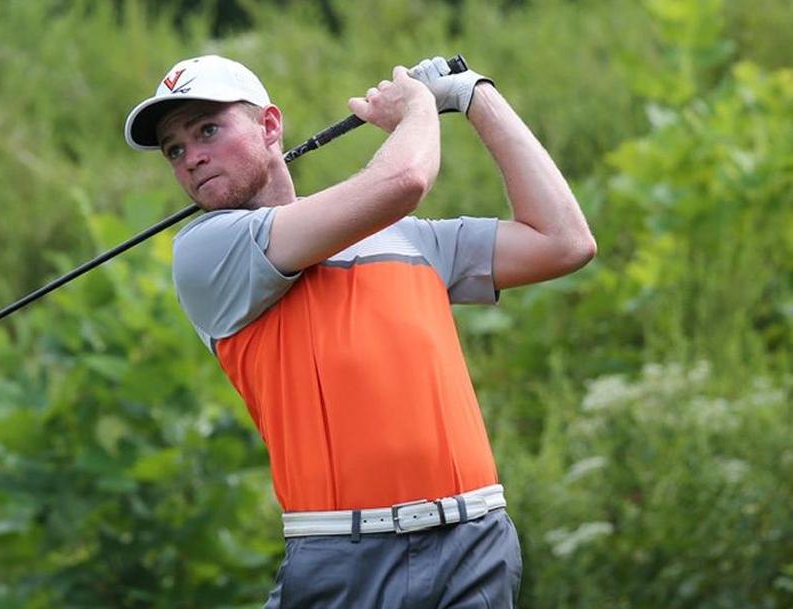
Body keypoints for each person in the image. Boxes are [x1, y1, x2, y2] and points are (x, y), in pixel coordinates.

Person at [123, 54, 595, 608]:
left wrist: (473, 96)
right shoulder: (207, 252)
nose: (192, 158)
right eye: (175, 149)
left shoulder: (412, 240)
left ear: (270, 126)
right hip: (344, 556)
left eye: (208, 129)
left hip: (476, 540)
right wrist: (419, 105)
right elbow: (404, 179)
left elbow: (564, 242)